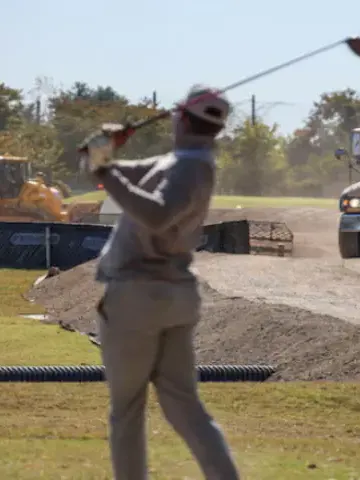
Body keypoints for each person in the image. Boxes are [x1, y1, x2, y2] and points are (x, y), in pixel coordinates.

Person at [79, 84, 240, 480]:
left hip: (136, 294)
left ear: (181, 117)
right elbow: (97, 166)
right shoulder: (182, 163)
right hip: (175, 296)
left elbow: (156, 213)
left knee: (127, 409)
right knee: (185, 407)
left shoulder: (188, 167)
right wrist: (103, 146)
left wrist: (103, 166)